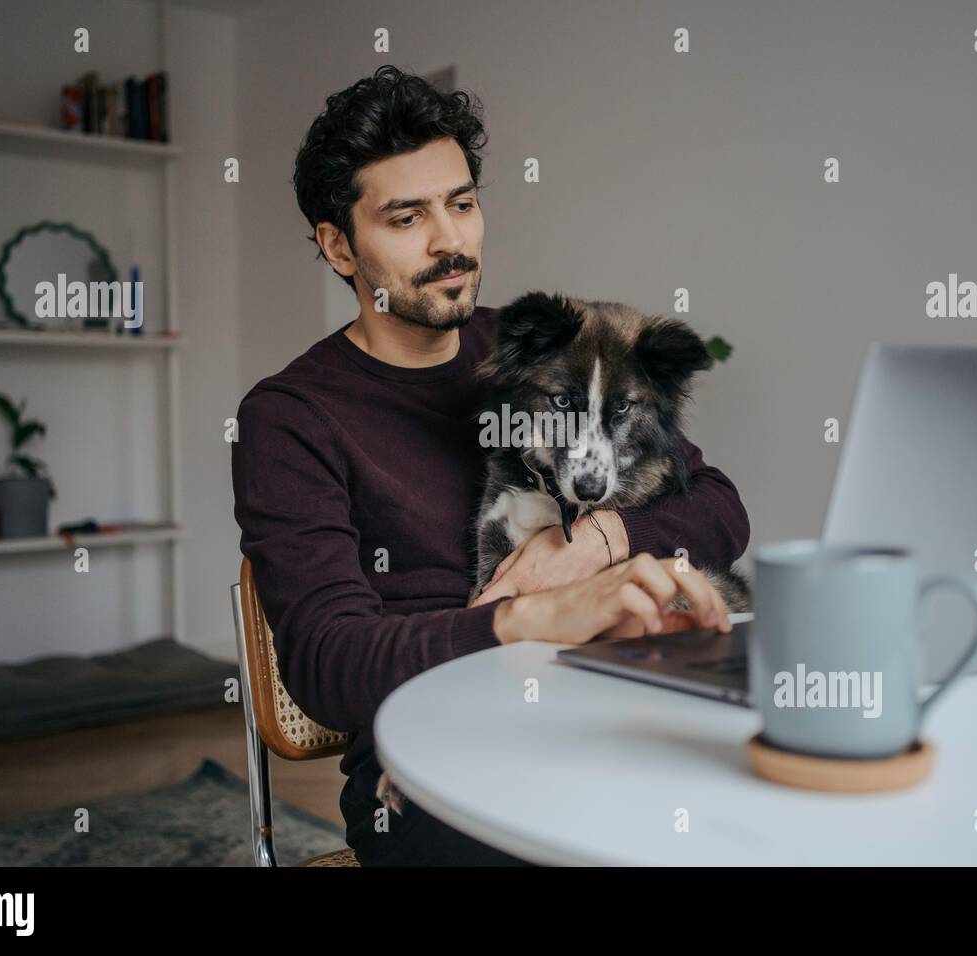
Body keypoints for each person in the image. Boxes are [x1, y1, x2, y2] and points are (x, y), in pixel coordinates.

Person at [231, 65, 750, 866]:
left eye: (463, 204)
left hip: (600, 698)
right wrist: (527, 617)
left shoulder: (544, 345)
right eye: (406, 218)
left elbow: (717, 506)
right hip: (425, 760)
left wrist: (592, 545)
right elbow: (329, 664)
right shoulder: (291, 418)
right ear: (338, 245)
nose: (451, 242)